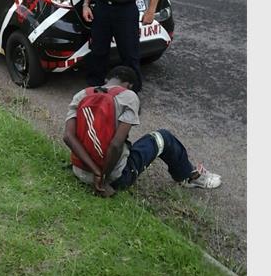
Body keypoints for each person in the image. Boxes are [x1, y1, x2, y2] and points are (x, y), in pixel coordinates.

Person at [63, 66, 221, 197]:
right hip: (113, 178)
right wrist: (102, 178)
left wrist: (95, 171)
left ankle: (95, 171)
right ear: (130, 85)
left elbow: (68, 137)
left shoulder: (82, 95)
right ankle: (189, 176)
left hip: (81, 172)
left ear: (106, 80)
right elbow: (116, 144)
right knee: (164, 137)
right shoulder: (129, 96)